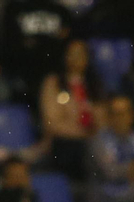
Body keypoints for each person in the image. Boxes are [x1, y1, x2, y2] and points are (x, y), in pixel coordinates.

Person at [39, 39, 96, 178]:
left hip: (91, 144)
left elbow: (102, 119)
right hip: (62, 144)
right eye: (72, 54)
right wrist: (82, 133)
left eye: (80, 54)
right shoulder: (53, 83)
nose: (76, 59)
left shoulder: (96, 86)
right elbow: (51, 122)